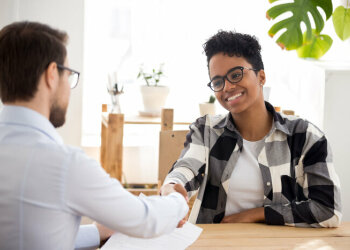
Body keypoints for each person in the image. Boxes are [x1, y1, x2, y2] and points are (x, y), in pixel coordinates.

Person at [0, 21, 188, 250]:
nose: (69, 88)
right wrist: (178, 200)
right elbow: (145, 219)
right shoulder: (63, 164)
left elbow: (37, 236)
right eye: (68, 75)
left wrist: (97, 232)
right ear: (51, 74)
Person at [161, 30, 342, 227]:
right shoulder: (206, 131)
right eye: (218, 82)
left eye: (236, 75)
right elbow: (187, 167)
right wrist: (172, 187)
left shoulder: (306, 137)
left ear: (261, 77)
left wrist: (257, 214)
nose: (227, 87)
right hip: (217, 243)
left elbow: (328, 210)